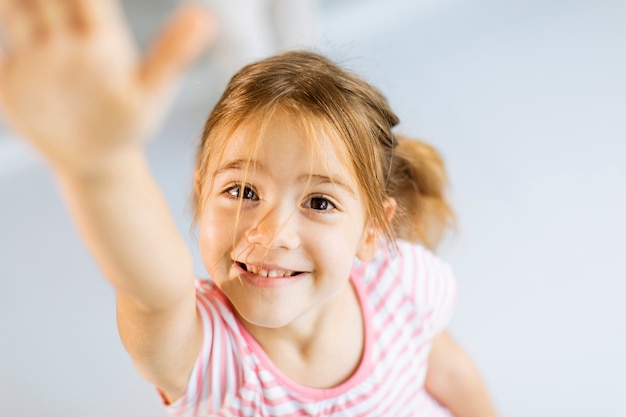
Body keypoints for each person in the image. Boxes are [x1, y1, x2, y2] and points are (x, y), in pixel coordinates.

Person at [0, 1, 497, 416]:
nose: (271, 232)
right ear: (201, 195)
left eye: (319, 202)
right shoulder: (214, 358)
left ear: (371, 230)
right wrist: (101, 168)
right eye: (241, 191)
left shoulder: (405, 286)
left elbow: (449, 370)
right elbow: (153, 292)